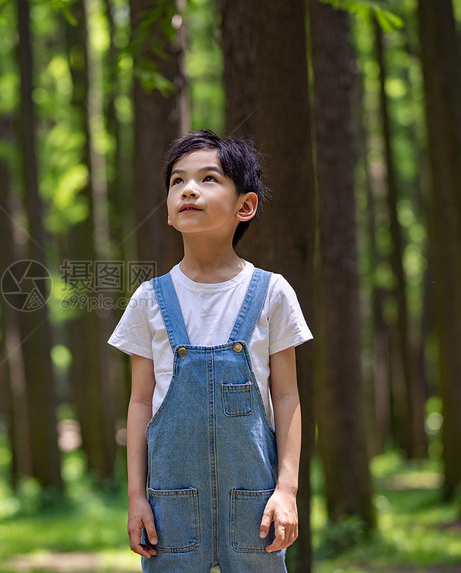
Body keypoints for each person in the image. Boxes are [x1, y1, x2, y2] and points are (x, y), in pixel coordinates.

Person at [108, 130, 313, 572]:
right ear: (167, 209)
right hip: (170, 510)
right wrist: (136, 497)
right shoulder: (149, 300)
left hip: (256, 504)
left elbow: (287, 397)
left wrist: (287, 489)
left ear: (246, 206)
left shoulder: (272, 293)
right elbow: (140, 401)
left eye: (209, 178)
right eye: (177, 181)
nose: (189, 189)